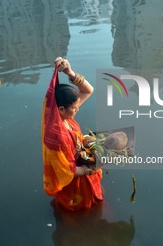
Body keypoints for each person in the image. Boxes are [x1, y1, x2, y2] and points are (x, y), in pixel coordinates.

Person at [42, 57, 103, 211]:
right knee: (78, 212)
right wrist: (94, 168)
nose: (78, 109)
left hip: (82, 166)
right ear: (61, 109)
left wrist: (69, 72)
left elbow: (88, 90)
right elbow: (67, 171)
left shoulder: (61, 116)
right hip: (73, 183)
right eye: (75, 107)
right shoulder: (57, 135)